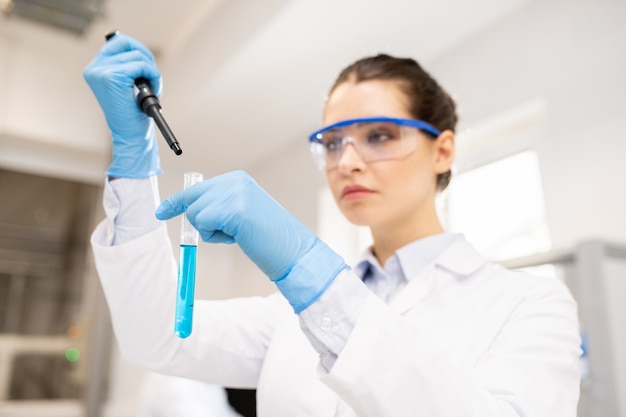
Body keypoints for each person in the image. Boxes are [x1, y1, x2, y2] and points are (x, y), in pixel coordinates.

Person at [84, 32, 581, 416]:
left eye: (381, 135)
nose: (346, 162)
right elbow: (157, 337)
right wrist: (133, 157)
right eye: (332, 142)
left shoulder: (530, 305)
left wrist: (309, 270)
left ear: (443, 149)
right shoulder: (286, 315)